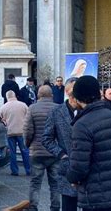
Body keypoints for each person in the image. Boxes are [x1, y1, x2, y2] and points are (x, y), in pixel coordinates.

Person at [66, 76, 111, 211]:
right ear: (99, 94)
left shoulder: (82, 125)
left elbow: (79, 167)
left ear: (78, 98)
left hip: (98, 196)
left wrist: (72, 177)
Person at [42, 77, 79, 211]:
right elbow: (46, 138)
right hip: (67, 167)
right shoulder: (56, 112)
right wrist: (61, 154)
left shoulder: (88, 110)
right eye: (75, 89)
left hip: (88, 169)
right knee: (69, 205)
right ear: (68, 91)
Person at [23, 85, 59, 211]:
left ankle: (33, 208)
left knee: (35, 183)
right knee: (55, 184)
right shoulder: (58, 108)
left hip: (37, 151)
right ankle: (55, 208)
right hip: (54, 152)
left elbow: (28, 130)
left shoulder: (32, 108)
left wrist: (27, 144)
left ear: (38, 95)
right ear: (52, 96)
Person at [0, 90, 31, 176]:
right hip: (22, 132)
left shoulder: (4, 107)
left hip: (10, 132)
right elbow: (29, 117)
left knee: (12, 152)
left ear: (7, 97)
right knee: (25, 151)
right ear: (15, 95)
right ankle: (28, 170)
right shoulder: (23, 105)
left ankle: (15, 171)